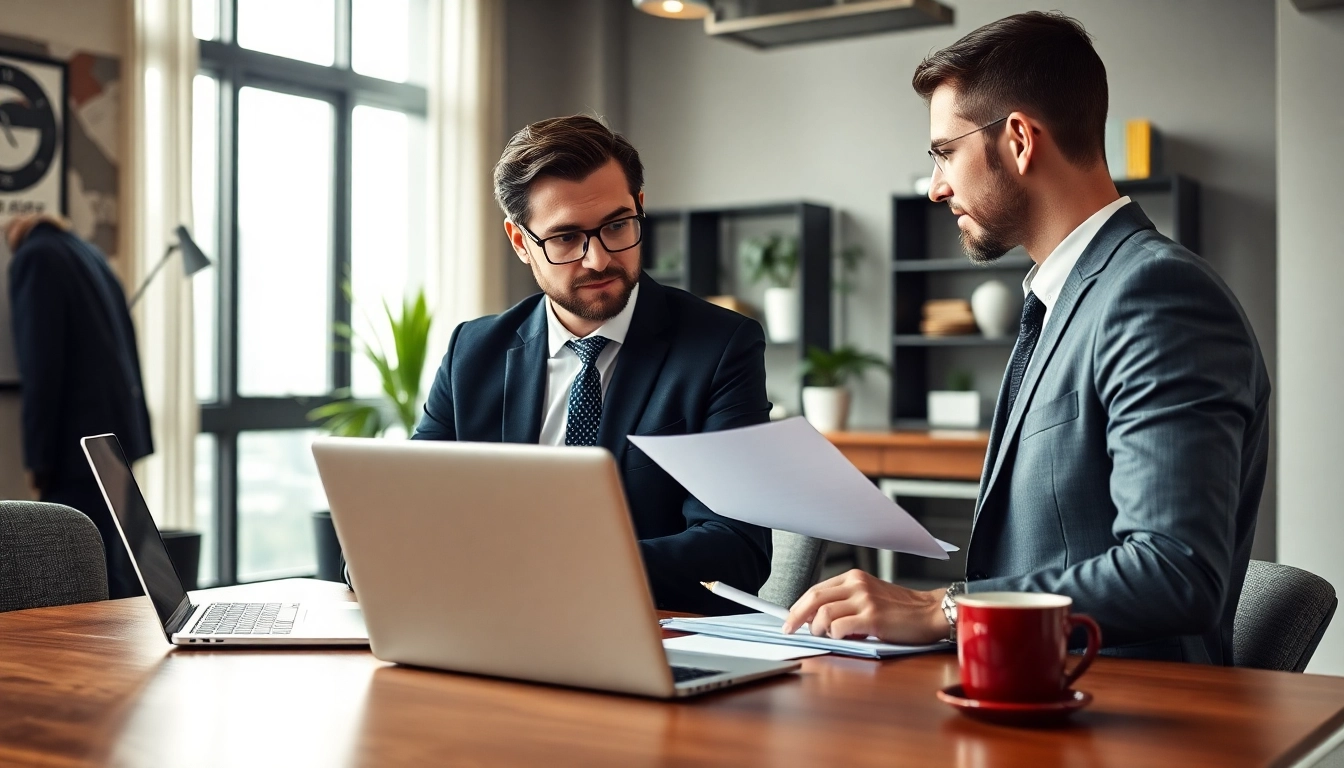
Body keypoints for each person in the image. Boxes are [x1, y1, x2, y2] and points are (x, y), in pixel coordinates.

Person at [784, 12, 1270, 664]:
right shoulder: (1062, 295)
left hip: (1123, 719)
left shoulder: (1157, 296)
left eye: (944, 152)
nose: (936, 187)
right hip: (1027, 691)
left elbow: (1173, 569)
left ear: (1018, 139)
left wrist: (941, 608)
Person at [406, 115, 772, 615]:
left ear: (640, 208)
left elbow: (738, 551)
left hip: (643, 633)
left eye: (617, 226)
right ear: (519, 242)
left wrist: (553, 568)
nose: (598, 259)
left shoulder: (720, 347)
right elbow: (400, 519)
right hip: (488, 624)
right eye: (565, 238)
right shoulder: (474, 352)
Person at [7, 213, 153, 599]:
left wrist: (39, 461)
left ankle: (108, 658)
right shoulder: (90, 254)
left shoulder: (34, 257)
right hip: (116, 434)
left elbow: (42, 365)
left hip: (76, 444)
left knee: (83, 573)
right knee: (114, 560)